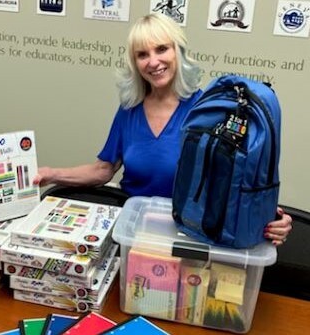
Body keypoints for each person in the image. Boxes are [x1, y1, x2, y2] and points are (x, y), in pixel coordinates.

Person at [33, 13, 292, 245]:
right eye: (142, 54)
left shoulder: (207, 111)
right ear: (135, 63)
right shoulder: (129, 109)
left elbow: (235, 179)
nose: (153, 61)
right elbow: (103, 170)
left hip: (188, 237)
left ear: (177, 51)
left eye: (161, 49)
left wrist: (270, 217)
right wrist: (51, 173)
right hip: (134, 233)